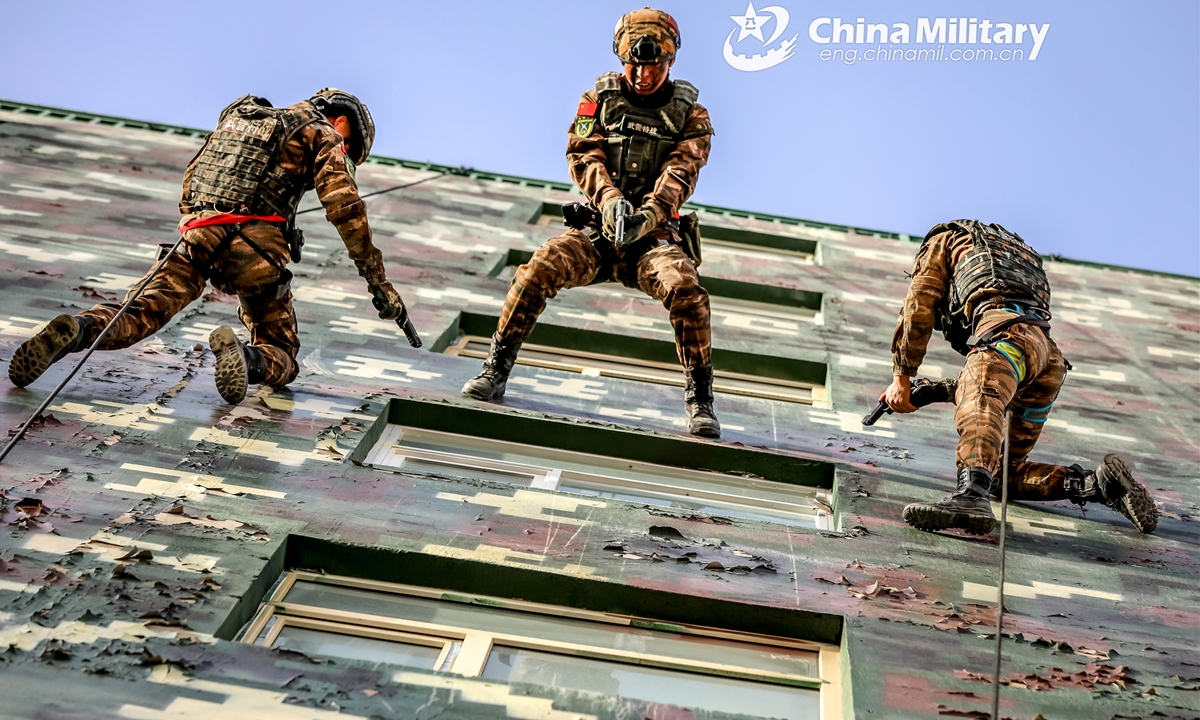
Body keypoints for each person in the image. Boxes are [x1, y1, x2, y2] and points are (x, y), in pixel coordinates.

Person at [9, 89, 409, 404]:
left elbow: (196, 175)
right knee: (283, 353)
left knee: (136, 315)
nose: (348, 157)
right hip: (256, 250)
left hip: (196, 233)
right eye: (351, 150)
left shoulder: (240, 114)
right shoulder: (322, 133)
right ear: (342, 121)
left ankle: (77, 329)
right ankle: (247, 357)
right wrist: (380, 284)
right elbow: (345, 207)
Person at [462, 8, 721, 437]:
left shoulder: (691, 114)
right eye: (633, 63)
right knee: (539, 267)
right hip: (598, 232)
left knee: (686, 290)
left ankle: (701, 402)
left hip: (652, 237)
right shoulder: (597, 100)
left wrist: (650, 214)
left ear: (670, 60)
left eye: (652, 64)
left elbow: (682, 170)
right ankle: (496, 367)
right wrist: (610, 200)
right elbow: (582, 153)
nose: (641, 73)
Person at [882, 219, 1157, 535]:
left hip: (1007, 337)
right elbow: (997, 382)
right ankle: (1096, 485)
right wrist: (937, 390)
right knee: (998, 475)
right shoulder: (1015, 254)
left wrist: (902, 377)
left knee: (981, 407)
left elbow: (919, 303)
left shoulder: (943, 240)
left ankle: (970, 498)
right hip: (1045, 359)